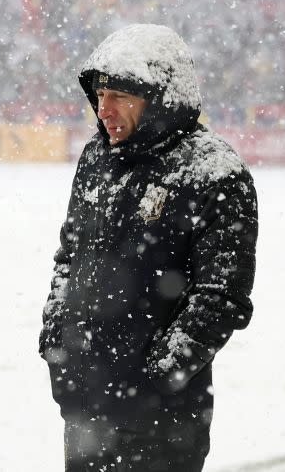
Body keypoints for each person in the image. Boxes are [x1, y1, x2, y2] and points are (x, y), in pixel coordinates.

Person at [39, 24, 258, 472]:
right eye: (99, 95)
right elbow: (69, 257)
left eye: (119, 95)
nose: (104, 110)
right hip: (85, 410)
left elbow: (221, 297)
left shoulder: (214, 172)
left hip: (163, 425)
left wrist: (159, 377)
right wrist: (56, 345)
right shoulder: (97, 158)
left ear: (159, 97)